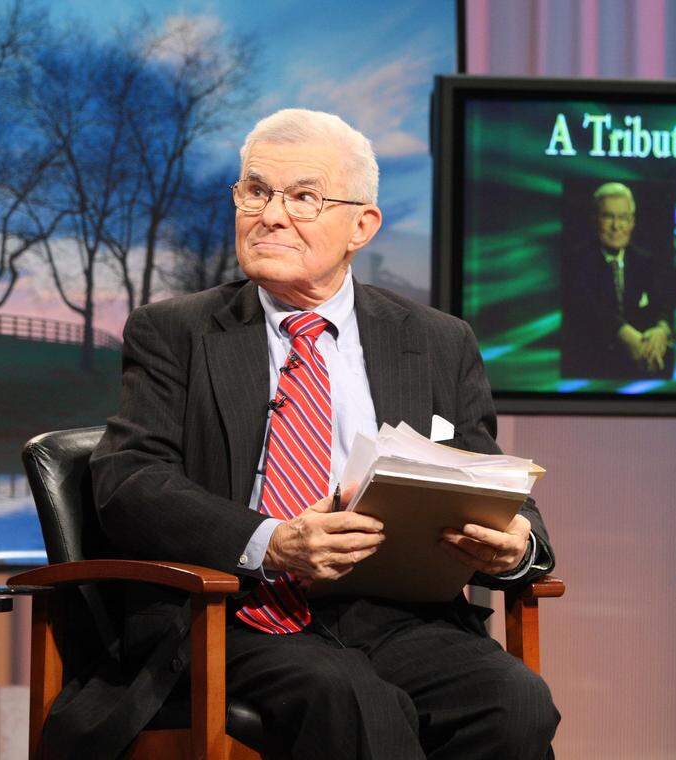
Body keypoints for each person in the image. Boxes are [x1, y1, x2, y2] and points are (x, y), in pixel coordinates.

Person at [89, 109, 558, 759]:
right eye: (255, 191)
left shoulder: (435, 341)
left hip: (395, 615)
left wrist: (516, 542)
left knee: (515, 703)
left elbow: (483, 469)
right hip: (238, 615)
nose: (270, 215)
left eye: (303, 197)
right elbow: (129, 482)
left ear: (361, 225)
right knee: (353, 702)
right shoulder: (175, 332)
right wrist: (272, 542)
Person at [559, 182, 674, 380]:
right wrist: (625, 334)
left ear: (632, 222)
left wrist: (661, 330)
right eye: (608, 216)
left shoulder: (645, 261)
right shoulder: (575, 261)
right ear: (595, 219)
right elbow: (587, 309)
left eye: (623, 218)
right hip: (588, 371)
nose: (616, 226)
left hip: (641, 368)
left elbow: (663, 304)